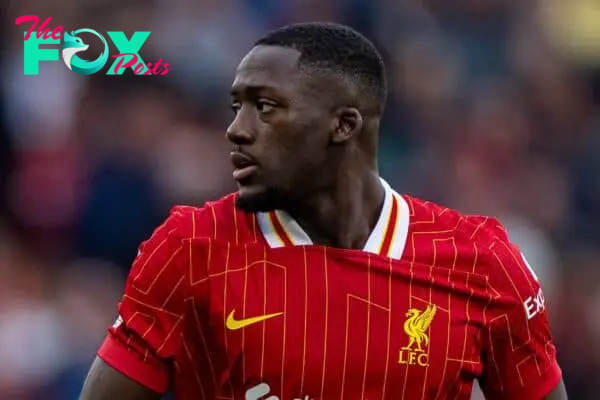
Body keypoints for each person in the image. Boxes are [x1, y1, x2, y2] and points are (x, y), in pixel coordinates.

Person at [79, 22, 567, 400]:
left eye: (265, 107)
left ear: (344, 125)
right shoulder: (191, 247)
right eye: (236, 106)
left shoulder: (482, 262)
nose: (237, 129)